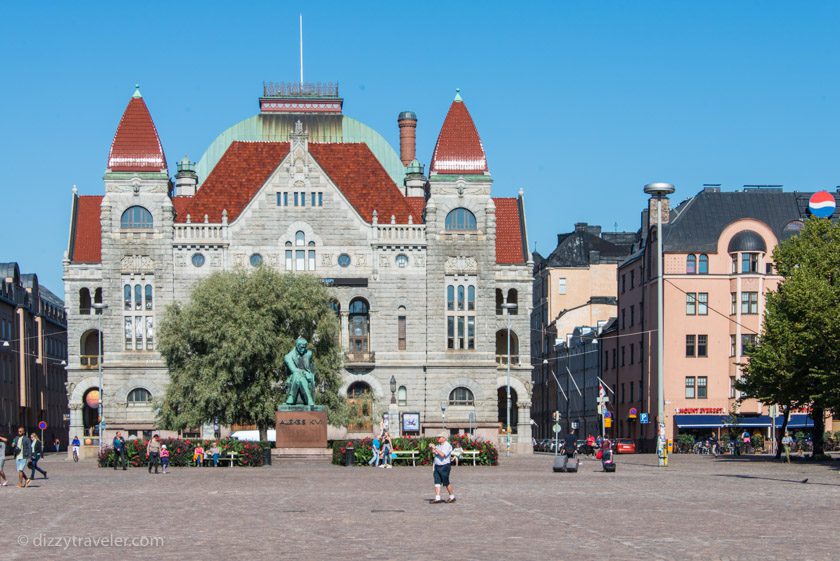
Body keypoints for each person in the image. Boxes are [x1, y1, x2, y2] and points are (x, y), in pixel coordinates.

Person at [429, 432, 455, 504]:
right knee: (437, 482)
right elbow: (435, 452)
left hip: (444, 466)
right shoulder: (439, 445)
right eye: (438, 437)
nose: (438, 438)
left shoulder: (447, 445)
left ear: (444, 438)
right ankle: (437, 498)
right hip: (437, 466)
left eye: (439, 437)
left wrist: (435, 448)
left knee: (446, 482)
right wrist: (432, 448)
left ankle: (452, 497)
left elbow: (443, 455)